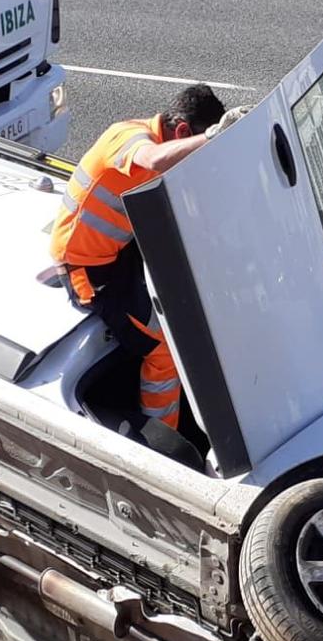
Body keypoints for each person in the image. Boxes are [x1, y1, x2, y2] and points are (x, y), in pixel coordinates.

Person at [50, 85, 246, 430]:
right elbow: (154, 161)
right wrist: (215, 137)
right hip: (88, 270)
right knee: (163, 348)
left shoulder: (163, 142)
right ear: (183, 132)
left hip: (116, 251)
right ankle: (164, 440)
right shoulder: (129, 139)